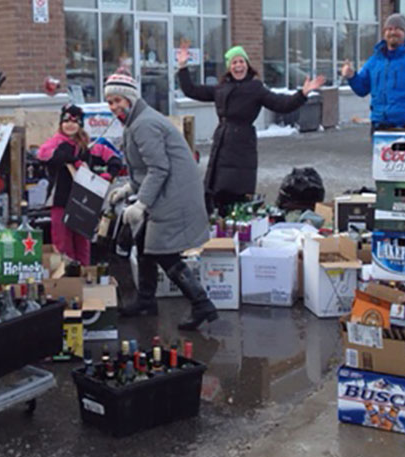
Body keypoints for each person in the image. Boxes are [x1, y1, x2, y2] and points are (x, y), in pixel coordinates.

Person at [104, 69, 217, 331]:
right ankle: (146, 301)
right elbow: (144, 168)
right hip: (166, 190)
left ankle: (202, 304)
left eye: (118, 100)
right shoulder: (135, 121)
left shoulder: (143, 124)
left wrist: (141, 203)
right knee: (144, 243)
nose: (114, 107)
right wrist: (129, 189)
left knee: (164, 252)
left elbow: (159, 168)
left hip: (174, 194)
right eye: (109, 102)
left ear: (130, 98)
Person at [178, 45, 325, 216]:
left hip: (242, 147)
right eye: (234, 62)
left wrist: (302, 94)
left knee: (236, 195)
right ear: (229, 67)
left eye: (241, 61)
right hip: (221, 144)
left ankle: (235, 226)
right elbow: (191, 90)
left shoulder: (255, 88)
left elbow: (281, 104)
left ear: (247, 64)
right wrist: (182, 67)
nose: (238, 66)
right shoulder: (221, 88)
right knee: (215, 195)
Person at [37, 104, 122, 265]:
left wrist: (109, 175)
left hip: (85, 203)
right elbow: (45, 155)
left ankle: (85, 276)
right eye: (66, 121)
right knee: (63, 246)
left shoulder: (89, 147)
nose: (70, 125)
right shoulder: (55, 144)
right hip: (61, 201)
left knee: (83, 246)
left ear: (81, 125)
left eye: (75, 122)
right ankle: (65, 278)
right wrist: (74, 161)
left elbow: (114, 159)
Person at [342, 13, 405, 131]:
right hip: (379, 127)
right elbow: (362, 89)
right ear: (384, 33)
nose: (393, 32)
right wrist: (352, 76)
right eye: (389, 29)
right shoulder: (375, 61)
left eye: (397, 29)